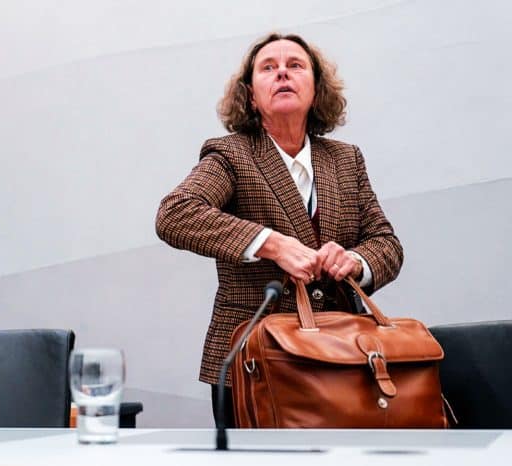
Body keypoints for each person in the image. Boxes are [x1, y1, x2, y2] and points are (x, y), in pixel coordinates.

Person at [155, 33, 403, 427]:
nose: (282, 73)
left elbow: (386, 244)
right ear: (251, 96)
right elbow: (176, 213)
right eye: (268, 68)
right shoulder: (231, 153)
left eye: (295, 65)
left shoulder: (346, 159)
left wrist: (355, 260)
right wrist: (270, 244)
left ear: (317, 90)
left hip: (341, 356)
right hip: (256, 362)